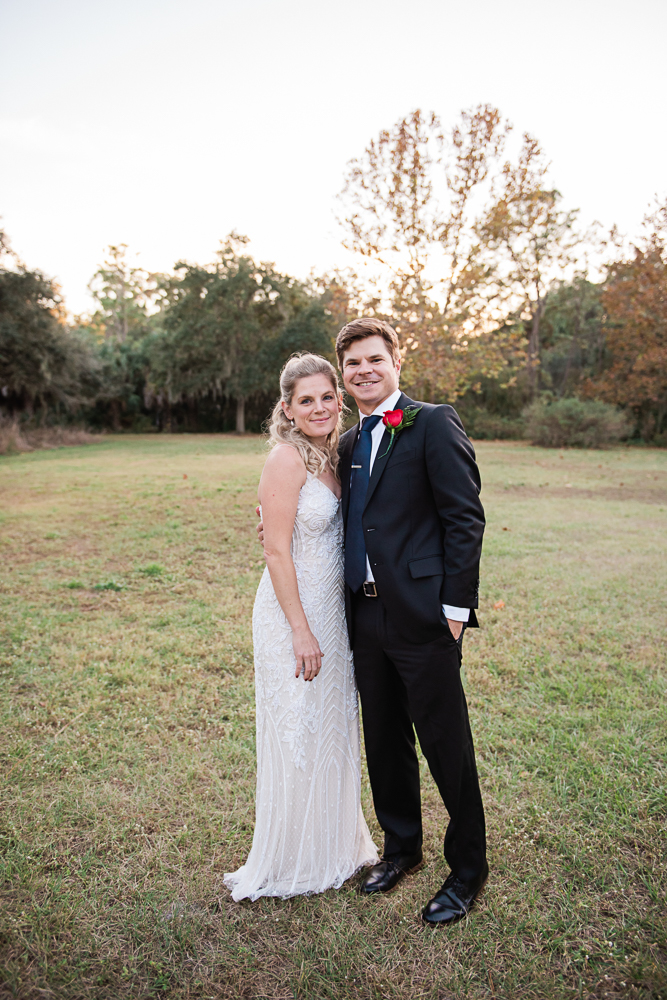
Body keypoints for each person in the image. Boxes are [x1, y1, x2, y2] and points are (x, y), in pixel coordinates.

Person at [335, 318, 488, 926]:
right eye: (352, 364)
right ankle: (401, 848)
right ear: (343, 374)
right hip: (364, 614)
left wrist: (455, 611)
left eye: (374, 359)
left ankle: (468, 868)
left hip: (426, 617)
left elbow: (464, 519)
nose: (364, 371)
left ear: (395, 359)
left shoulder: (432, 422)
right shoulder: (347, 444)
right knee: (385, 738)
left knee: (446, 743)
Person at [224, 353, 378, 902]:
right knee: (298, 730)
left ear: (339, 398)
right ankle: (294, 856)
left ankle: (336, 845)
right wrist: (300, 629)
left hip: (335, 615)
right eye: (304, 400)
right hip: (294, 617)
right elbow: (276, 549)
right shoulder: (287, 460)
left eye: (326, 396)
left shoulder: (339, 454)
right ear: (286, 409)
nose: (318, 407)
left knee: (331, 726)